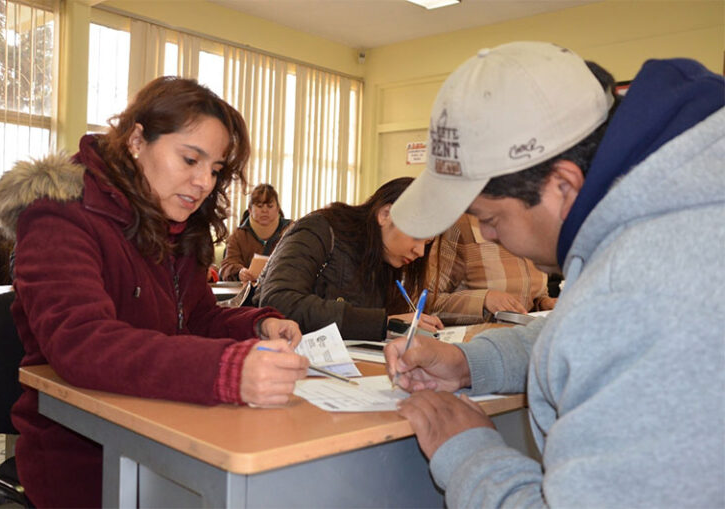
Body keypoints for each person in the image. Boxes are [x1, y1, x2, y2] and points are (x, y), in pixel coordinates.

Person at [385, 41, 724, 507]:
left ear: (563, 185)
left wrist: (467, 454)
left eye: (491, 218)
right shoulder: (671, 210)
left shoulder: (644, 292)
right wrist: (471, 363)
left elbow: (619, 324)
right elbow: (603, 339)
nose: (486, 236)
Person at [0, 76, 309, 508]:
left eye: (214, 170)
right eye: (190, 159)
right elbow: (81, 343)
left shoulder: (175, 223)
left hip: (173, 427)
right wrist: (226, 371)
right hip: (83, 451)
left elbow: (194, 319)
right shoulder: (59, 214)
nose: (203, 183)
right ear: (137, 140)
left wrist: (258, 325)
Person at [254, 176, 443, 340]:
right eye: (417, 237)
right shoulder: (320, 229)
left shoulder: (386, 261)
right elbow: (279, 302)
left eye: (426, 243)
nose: (420, 252)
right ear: (385, 215)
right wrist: (384, 324)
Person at [426, 213, 555, 324]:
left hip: (526, 341)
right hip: (475, 345)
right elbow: (424, 302)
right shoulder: (461, 225)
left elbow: (531, 297)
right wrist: (483, 300)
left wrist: (544, 303)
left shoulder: (536, 224)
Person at [219, 183, 292, 282]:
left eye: (270, 206)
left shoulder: (290, 231)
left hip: (281, 289)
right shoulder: (238, 235)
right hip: (247, 291)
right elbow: (226, 266)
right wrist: (240, 272)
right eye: (259, 206)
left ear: (278, 209)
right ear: (250, 210)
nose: (265, 210)